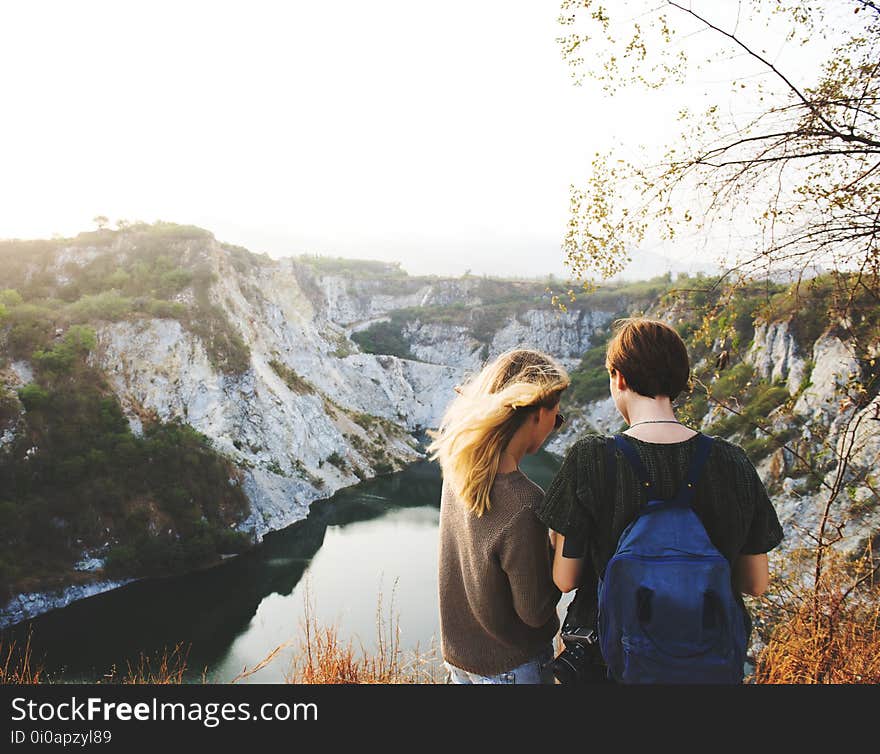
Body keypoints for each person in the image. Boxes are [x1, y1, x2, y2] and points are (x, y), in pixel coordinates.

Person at [534, 317, 784, 682]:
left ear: (618, 378)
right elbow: (756, 583)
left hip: (611, 667)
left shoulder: (592, 458)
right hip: (707, 664)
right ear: (680, 382)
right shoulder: (732, 461)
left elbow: (565, 579)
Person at [427, 348, 569, 684]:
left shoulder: (459, 470)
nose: (556, 426)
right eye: (557, 416)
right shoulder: (524, 503)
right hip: (512, 667)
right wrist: (557, 541)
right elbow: (534, 612)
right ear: (535, 413)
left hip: (461, 663)